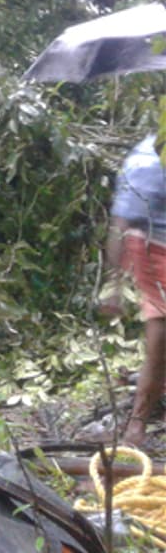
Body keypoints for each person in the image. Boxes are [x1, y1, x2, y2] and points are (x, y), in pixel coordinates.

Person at [102, 133, 166, 447]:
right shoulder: (147, 161)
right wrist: (113, 286)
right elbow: (122, 224)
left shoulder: (145, 155)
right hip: (156, 252)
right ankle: (137, 425)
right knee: (160, 338)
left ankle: (139, 423)